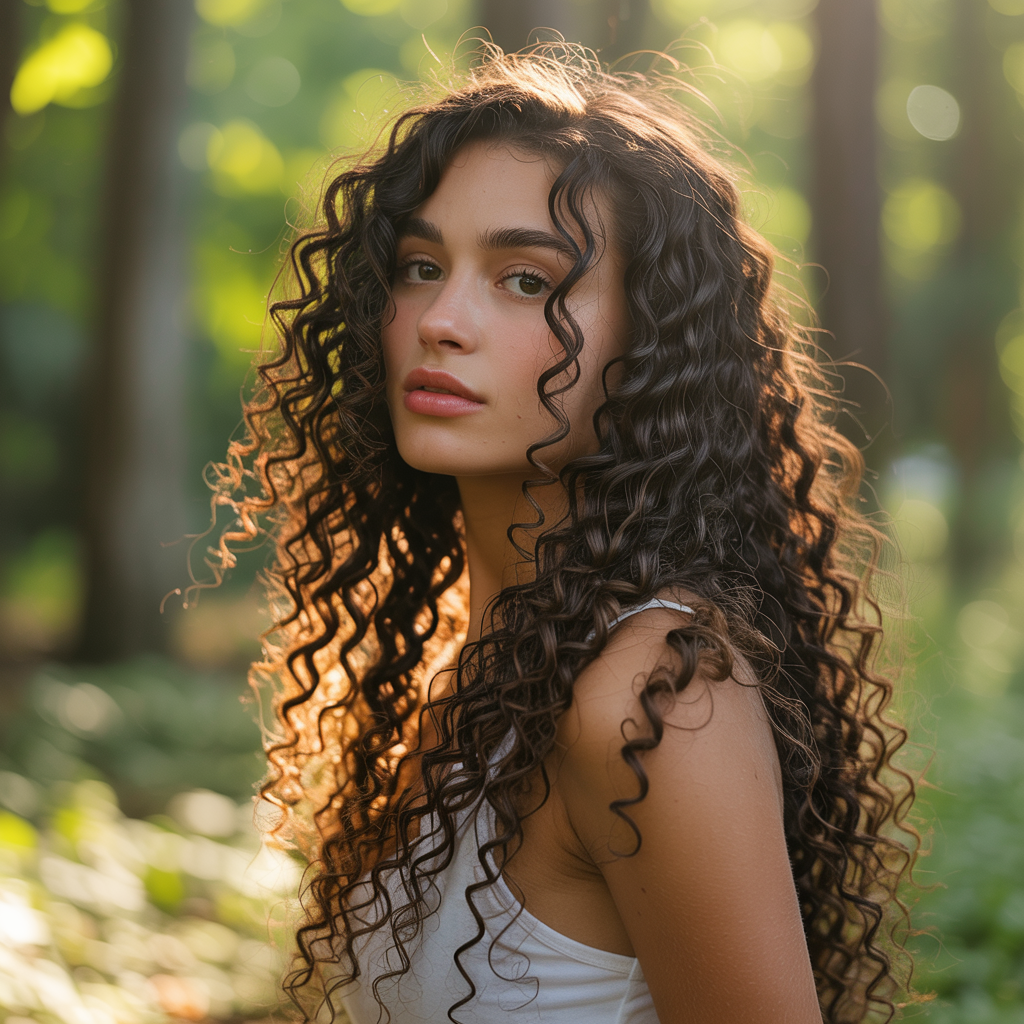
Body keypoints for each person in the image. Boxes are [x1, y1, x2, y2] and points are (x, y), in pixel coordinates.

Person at [214, 45, 916, 1024]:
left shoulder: (655, 695)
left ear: (650, 341)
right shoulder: (470, 664)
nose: (441, 321)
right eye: (421, 267)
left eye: (526, 280)